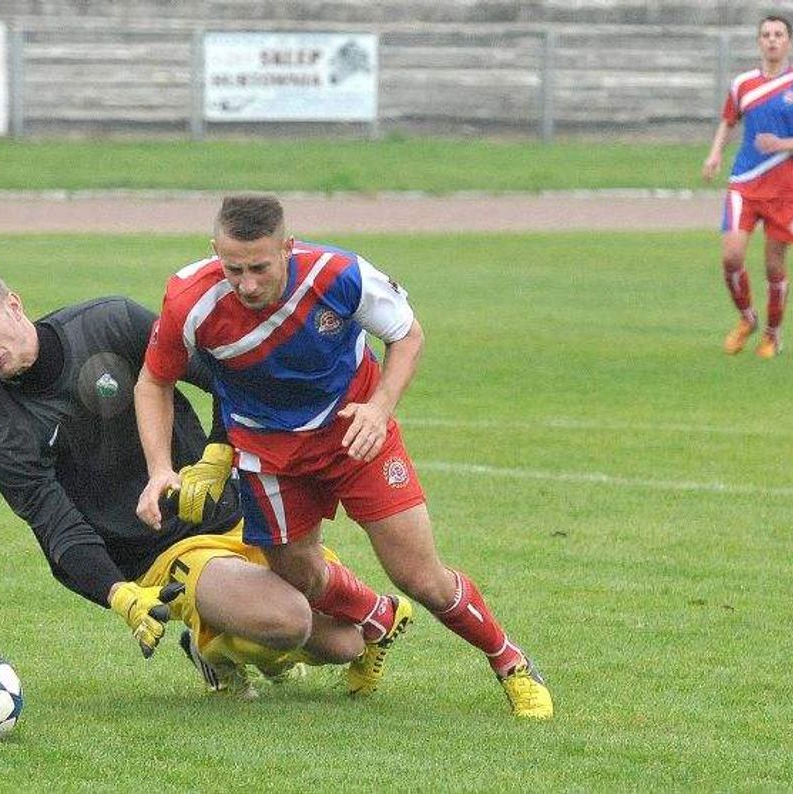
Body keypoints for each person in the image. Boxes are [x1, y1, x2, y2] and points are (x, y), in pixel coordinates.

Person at [134, 194, 554, 719]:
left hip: (357, 438)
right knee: (300, 579)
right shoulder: (188, 300)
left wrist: (379, 409)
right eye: (233, 267)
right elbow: (154, 380)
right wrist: (159, 469)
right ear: (214, 250)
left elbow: (407, 334)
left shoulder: (338, 275)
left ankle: (510, 663)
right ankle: (377, 620)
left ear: (288, 247)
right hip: (269, 459)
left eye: (260, 267)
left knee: (419, 576)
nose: (246, 284)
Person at [0, 265, 364, 698]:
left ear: (13, 305)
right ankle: (216, 649)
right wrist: (120, 594)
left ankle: (212, 639)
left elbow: (227, 377)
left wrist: (216, 454)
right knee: (288, 620)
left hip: (226, 509)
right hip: (155, 553)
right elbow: (58, 530)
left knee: (347, 642)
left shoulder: (110, 323)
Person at [703, 14, 793, 359]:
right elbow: (728, 120)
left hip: (785, 189)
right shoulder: (743, 83)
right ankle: (747, 318)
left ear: (789, 42)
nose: (772, 40)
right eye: (765, 35)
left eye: (778, 34)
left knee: (774, 265)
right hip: (744, 181)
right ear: (758, 42)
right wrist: (715, 154)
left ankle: (773, 334)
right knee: (731, 255)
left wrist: (782, 145)